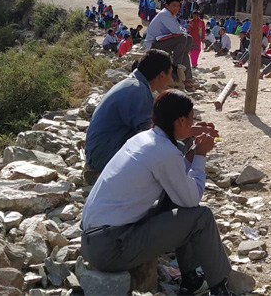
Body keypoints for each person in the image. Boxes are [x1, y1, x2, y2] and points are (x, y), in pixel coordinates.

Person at [81, 91, 235, 296]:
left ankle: (191, 281)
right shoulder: (164, 152)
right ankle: (220, 289)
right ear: (180, 121)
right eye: (191, 120)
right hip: (112, 249)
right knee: (201, 217)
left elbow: (176, 176)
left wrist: (192, 139)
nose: (193, 124)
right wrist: (200, 156)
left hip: (95, 241)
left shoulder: (144, 139)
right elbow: (191, 199)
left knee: (174, 198)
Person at [85, 50, 173, 173]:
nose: (171, 78)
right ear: (162, 75)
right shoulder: (137, 90)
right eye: (171, 72)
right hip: (104, 157)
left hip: (100, 151)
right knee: (173, 148)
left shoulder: (133, 84)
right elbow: (151, 133)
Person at [145, 0, 194, 87]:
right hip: (154, 44)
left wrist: (182, 31)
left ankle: (187, 77)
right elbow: (178, 31)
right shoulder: (164, 14)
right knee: (183, 39)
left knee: (189, 39)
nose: (176, 8)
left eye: (178, 6)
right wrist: (181, 31)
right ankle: (176, 68)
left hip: (164, 42)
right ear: (167, 5)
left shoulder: (172, 16)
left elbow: (181, 30)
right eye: (174, 5)